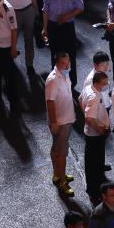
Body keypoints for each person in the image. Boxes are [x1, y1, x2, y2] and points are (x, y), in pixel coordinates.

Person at [42, 0, 83, 88]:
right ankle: (57, 80)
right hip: (53, 26)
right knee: (55, 54)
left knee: (70, 54)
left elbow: (80, 7)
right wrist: (44, 28)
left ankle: (72, 82)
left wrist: (66, 16)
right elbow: (45, 11)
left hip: (67, 26)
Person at [0, 0, 38, 76]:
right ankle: (9, 63)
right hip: (13, 14)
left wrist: (36, 10)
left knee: (29, 39)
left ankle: (29, 65)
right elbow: (1, 2)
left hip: (28, 11)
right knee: (11, 40)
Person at [45, 52, 76, 196]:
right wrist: (54, 122)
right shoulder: (53, 79)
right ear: (57, 63)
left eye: (68, 62)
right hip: (60, 121)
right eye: (64, 63)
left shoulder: (64, 74)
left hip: (66, 118)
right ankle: (62, 181)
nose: (67, 65)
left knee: (56, 147)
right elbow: (50, 102)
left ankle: (57, 174)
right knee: (62, 153)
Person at [80, 70, 112, 197]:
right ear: (98, 83)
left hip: (92, 133)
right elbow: (89, 119)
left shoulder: (88, 88)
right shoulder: (94, 96)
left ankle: (98, 183)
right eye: (104, 83)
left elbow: (79, 99)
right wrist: (100, 130)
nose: (107, 85)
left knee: (95, 161)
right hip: (95, 135)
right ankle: (93, 189)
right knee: (93, 163)